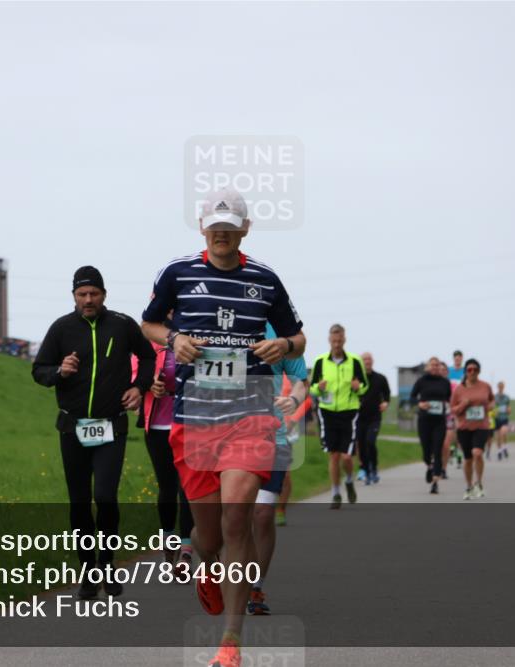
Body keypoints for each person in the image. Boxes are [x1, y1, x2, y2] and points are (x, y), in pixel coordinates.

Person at [140, 188, 306, 667]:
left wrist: (285, 347)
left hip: (250, 415)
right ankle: (205, 568)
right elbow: (148, 324)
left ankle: (230, 642)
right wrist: (175, 339)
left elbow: (297, 336)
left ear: (245, 229)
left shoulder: (265, 279)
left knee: (239, 518)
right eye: (215, 227)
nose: (222, 234)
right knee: (207, 538)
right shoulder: (177, 273)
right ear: (202, 227)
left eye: (231, 228)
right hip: (195, 422)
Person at [32, 266, 155, 598]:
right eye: (82, 294)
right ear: (73, 296)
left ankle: (107, 564)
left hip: (111, 424)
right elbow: (39, 371)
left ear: (104, 295)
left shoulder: (122, 324)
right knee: (79, 501)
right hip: (73, 426)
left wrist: (139, 387)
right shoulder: (61, 329)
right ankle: (88, 570)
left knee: (105, 496)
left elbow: (147, 358)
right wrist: (60, 370)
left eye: (94, 294)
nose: (88, 300)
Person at [248, 324, 307, 615]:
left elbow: (301, 379)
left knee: (262, 514)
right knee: (227, 517)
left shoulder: (281, 330)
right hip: (225, 435)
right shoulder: (222, 318)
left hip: (273, 436)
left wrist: (294, 399)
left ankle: (255, 586)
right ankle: (216, 570)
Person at [141, 315, 195, 574]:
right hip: (158, 424)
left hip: (188, 422)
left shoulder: (195, 334)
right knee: (166, 486)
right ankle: (168, 538)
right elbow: (135, 369)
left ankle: (186, 550)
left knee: (187, 485)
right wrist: (150, 382)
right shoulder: (151, 339)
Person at [310, 324, 368, 509]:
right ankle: (335, 492)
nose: (337, 343)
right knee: (333, 456)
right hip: (327, 412)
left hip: (349, 411)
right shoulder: (320, 361)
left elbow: (365, 386)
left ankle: (349, 481)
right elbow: (311, 387)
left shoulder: (355, 361)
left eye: (340, 340)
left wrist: (359, 388)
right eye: (334, 340)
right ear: (329, 340)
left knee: (347, 457)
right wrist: (318, 388)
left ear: (344, 340)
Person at [451, 358, 494, 500]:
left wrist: (491, 406)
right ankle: (469, 486)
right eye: (469, 369)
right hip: (464, 427)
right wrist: (463, 404)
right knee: (468, 459)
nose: (472, 372)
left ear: (479, 371)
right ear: (465, 371)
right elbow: (453, 410)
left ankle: (479, 483)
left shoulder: (485, 386)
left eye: (475, 369)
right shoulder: (459, 390)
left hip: (481, 426)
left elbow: (492, 399)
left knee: (477, 453)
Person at [410, 357, 452, 494]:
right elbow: (412, 397)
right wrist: (420, 404)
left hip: (439, 421)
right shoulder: (422, 381)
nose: (435, 367)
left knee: (438, 448)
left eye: (437, 365)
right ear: (428, 367)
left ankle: (435, 482)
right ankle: (429, 465)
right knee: (426, 451)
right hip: (424, 420)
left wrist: (448, 407)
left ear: (440, 367)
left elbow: (449, 399)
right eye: (432, 365)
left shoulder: (445, 382)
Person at [356, 352, 391, 485]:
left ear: (373, 361)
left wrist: (385, 403)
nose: (367, 361)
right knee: (362, 444)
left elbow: (387, 394)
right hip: (359, 417)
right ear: (361, 362)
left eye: (369, 359)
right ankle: (365, 469)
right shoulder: (356, 378)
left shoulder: (380, 378)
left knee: (370, 442)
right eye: (364, 359)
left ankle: (374, 468)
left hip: (374, 417)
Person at [494, 381, 511, 460]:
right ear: (498, 387)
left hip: (504, 417)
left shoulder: (506, 397)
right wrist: (495, 411)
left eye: (502, 386)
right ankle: (499, 451)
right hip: (497, 418)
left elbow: (509, 407)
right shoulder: (494, 397)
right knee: (498, 436)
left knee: (503, 433)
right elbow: (492, 407)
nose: (501, 388)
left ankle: (505, 447)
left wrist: (508, 410)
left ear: (503, 387)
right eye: (499, 386)